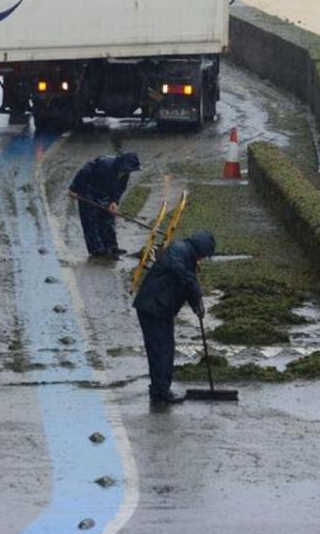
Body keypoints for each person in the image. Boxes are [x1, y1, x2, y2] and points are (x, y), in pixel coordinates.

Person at [132, 230, 216, 405]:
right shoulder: (178, 250)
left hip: (161, 308)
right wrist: (198, 293)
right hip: (153, 307)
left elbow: (186, 283)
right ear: (200, 249)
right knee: (160, 350)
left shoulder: (189, 258)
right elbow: (182, 274)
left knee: (164, 349)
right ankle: (161, 393)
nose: (202, 259)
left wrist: (196, 305)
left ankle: (160, 389)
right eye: (204, 255)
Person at [68, 152, 141, 259]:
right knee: (90, 219)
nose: (128, 172)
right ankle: (96, 249)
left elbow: (120, 188)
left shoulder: (125, 173)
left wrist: (114, 201)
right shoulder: (104, 164)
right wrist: (74, 188)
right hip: (88, 189)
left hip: (104, 193)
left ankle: (111, 246)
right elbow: (85, 171)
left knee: (108, 218)